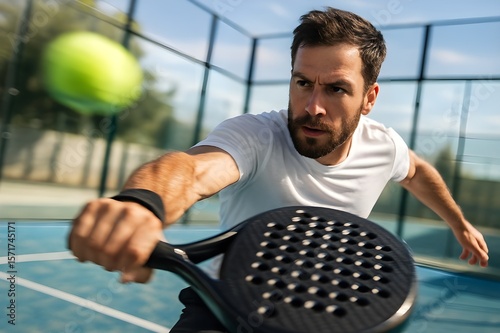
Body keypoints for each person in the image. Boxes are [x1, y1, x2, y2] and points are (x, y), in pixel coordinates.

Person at [68, 7, 489, 332]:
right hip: (225, 306)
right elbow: (191, 171)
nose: (313, 106)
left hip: (325, 308)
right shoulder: (254, 136)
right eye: (303, 82)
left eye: (337, 88)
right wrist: (143, 204)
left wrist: (459, 223)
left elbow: (416, 172)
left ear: (369, 98)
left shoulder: (383, 145)